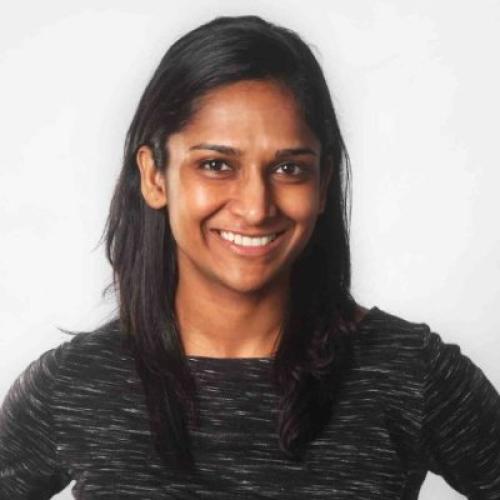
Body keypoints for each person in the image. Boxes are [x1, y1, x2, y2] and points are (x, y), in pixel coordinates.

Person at [1, 14, 499, 499]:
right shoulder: (75, 385)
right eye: (216, 165)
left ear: (323, 182)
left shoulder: (408, 370)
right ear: (154, 176)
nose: (256, 208)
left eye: (288, 168)